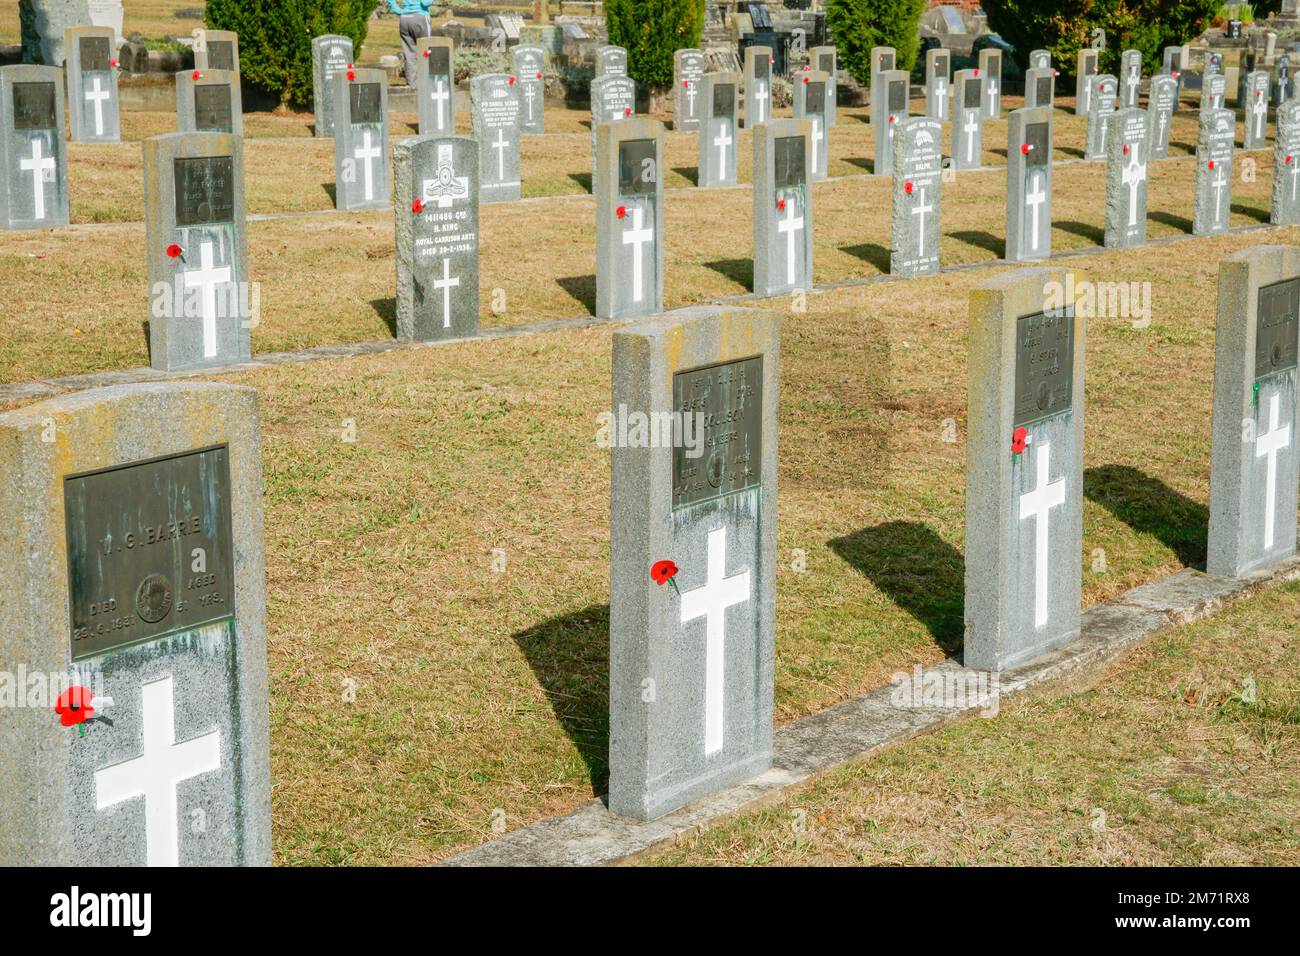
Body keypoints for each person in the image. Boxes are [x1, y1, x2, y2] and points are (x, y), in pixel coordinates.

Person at [389, 0, 434, 87]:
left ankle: (412, 85)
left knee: (409, 55)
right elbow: (426, 3)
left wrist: (398, 10)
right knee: (426, 50)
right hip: (420, 17)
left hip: (404, 19)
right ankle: (426, 83)